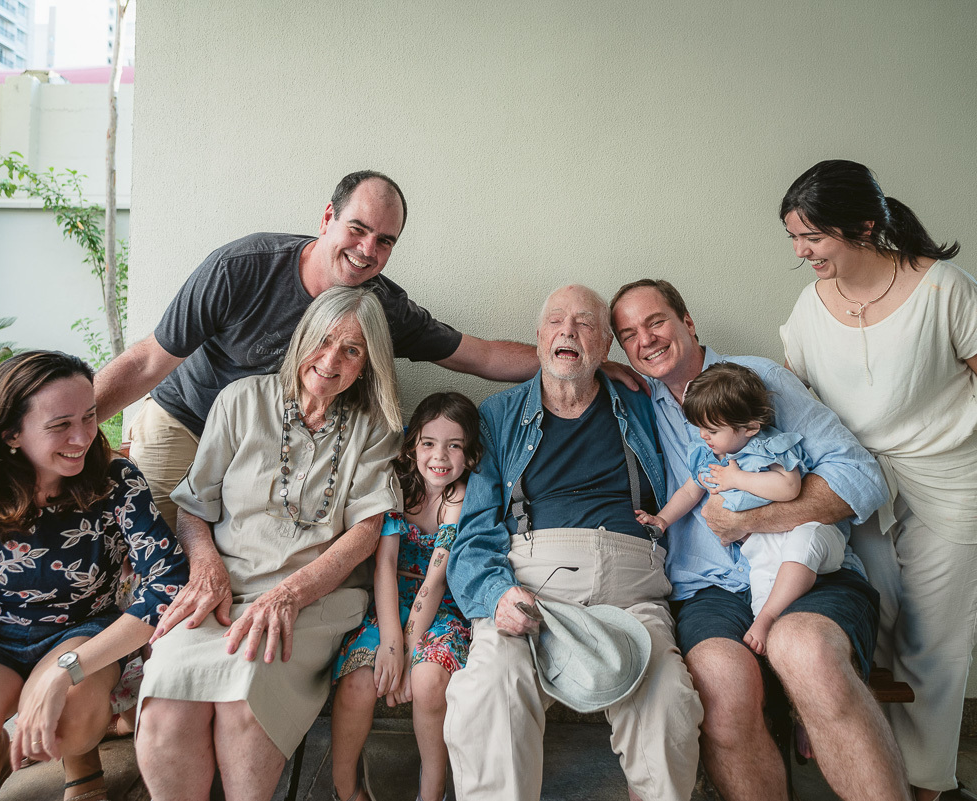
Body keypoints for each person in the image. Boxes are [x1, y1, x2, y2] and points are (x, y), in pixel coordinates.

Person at [93, 170, 535, 531]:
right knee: (155, 553)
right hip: (186, 422)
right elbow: (146, 362)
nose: (367, 250)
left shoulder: (381, 308)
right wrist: (71, 429)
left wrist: (567, 362)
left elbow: (480, 355)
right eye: (358, 229)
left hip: (270, 450)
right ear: (328, 218)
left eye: (385, 240)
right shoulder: (242, 268)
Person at [610, 279, 910, 801]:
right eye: (629, 334)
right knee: (720, 686)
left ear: (688, 322)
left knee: (807, 652)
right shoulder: (635, 404)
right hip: (708, 589)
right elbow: (555, 370)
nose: (646, 340)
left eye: (656, 322)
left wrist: (752, 519)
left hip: (809, 572)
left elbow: (861, 479)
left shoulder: (755, 382)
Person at [778, 159, 977, 801]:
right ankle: (874, 773)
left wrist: (964, 451)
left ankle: (928, 787)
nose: (801, 252)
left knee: (937, 647)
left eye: (812, 237)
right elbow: (799, 398)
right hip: (861, 490)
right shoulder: (810, 306)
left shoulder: (945, 289)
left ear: (862, 227)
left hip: (954, 484)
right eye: (794, 238)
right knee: (873, 630)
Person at [133, 286, 404, 801]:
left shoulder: (375, 425)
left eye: (351, 350)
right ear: (301, 338)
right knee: (167, 699)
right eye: (322, 341)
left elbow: (366, 531)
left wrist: (289, 595)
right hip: (223, 590)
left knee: (246, 695)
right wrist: (206, 568)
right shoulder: (241, 400)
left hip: (314, 600)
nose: (330, 360)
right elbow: (194, 505)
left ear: (368, 364)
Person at [444, 285, 703, 801]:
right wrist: (496, 595)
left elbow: (711, 445)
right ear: (539, 339)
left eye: (585, 324)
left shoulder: (644, 403)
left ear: (605, 346)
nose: (568, 331)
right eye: (556, 322)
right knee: (490, 690)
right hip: (532, 588)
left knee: (668, 703)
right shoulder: (499, 415)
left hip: (634, 594)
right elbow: (474, 531)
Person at [0, 351, 188, 801]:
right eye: (60, 425)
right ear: (11, 433)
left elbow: (169, 583)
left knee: (68, 723)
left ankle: (82, 758)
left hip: (85, 629)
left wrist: (65, 671)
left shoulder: (116, 481)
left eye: (89, 416)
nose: (83, 437)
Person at [634, 362, 846, 656]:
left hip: (806, 533)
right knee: (763, 588)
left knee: (802, 545)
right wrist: (662, 519)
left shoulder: (767, 447)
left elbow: (789, 487)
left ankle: (769, 616)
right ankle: (766, 622)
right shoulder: (709, 456)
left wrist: (737, 479)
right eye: (700, 428)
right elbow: (690, 491)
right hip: (760, 545)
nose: (703, 436)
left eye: (712, 430)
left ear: (750, 428)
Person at [331, 392, 480, 801]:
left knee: (428, 681)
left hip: (442, 607)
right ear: (413, 446)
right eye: (429, 443)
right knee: (359, 683)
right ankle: (346, 788)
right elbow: (385, 564)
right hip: (388, 600)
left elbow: (437, 578)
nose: (440, 456)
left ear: (469, 455)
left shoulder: (459, 496)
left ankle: (432, 789)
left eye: (454, 445)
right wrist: (391, 643)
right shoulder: (396, 488)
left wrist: (410, 649)